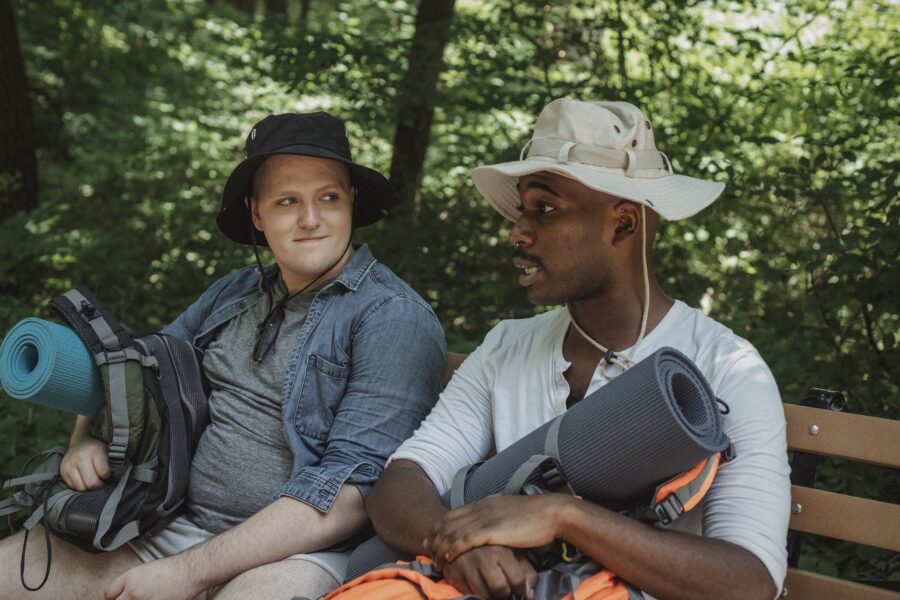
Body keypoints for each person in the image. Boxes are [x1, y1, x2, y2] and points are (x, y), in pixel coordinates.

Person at [0, 112, 446, 600]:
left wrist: (189, 573)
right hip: (167, 521)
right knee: (9, 572)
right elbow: (136, 370)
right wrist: (85, 438)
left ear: (352, 203)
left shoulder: (391, 317)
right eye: (287, 201)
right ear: (257, 214)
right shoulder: (235, 292)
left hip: (299, 554)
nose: (311, 218)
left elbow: (351, 496)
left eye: (329, 198)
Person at [367, 99, 790, 600]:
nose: (517, 232)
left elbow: (751, 582)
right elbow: (404, 479)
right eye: (522, 209)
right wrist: (458, 545)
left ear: (623, 224)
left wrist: (563, 516)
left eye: (544, 209)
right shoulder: (508, 346)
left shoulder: (724, 366)